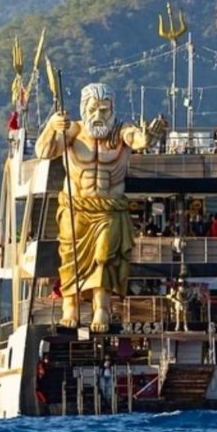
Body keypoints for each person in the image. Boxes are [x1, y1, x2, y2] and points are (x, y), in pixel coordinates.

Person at [35, 83, 161, 332]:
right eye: (94, 109)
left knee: (104, 257)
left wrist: (145, 138)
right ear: (84, 108)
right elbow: (44, 152)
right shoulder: (73, 131)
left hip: (108, 208)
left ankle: (101, 308)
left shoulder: (119, 132)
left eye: (104, 110)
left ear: (112, 109)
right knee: (71, 258)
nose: (99, 115)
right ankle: (69, 305)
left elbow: (136, 139)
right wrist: (51, 126)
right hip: (76, 206)